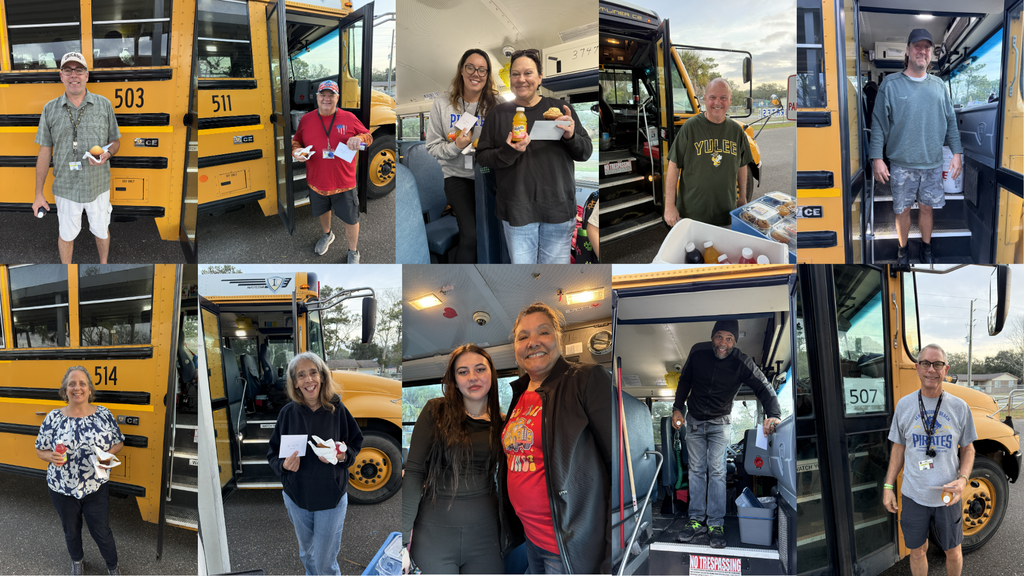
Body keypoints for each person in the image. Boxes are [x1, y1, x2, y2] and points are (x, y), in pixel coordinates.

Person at [501, 302, 612, 573]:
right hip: (531, 539)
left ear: (558, 339)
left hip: (567, 545)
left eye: (543, 332)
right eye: (523, 336)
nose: (533, 342)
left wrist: (612, 550)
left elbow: (617, 465)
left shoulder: (584, 378)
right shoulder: (519, 394)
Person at [670, 320, 781, 548]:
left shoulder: (742, 362)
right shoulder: (698, 351)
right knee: (696, 470)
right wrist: (677, 408)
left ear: (734, 342)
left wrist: (774, 414)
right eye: (719, 336)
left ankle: (716, 524)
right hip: (694, 421)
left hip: (720, 423)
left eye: (729, 338)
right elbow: (685, 379)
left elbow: (763, 387)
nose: (723, 343)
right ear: (712, 337)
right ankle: (695, 521)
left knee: (718, 471)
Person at [477, 50, 592, 264]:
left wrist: (571, 136)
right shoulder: (497, 114)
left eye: (528, 73)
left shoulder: (560, 109)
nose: (521, 79)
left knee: (556, 276)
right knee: (524, 274)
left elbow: (585, 152)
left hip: (558, 209)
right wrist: (508, 151)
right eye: (515, 74)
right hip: (516, 211)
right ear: (509, 78)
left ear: (540, 77)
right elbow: (482, 158)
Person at [402, 344, 505, 573]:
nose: (472, 377)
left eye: (480, 369)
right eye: (463, 372)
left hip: (487, 535)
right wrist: (402, 542)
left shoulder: (504, 422)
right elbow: (414, 473)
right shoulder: (434, 411)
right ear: (454, 380)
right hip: (433, 534)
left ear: (491, 374)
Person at [869, 28, 963, 266]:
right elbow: (878, 123)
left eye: (927, 47)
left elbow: (951, 121)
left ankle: (926, 249)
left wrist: (957, 153)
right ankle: (903, 251)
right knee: (901, 211)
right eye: (917, 46)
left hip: (932, 164)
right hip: (901, 164)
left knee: (927, 210)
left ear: (930, 53)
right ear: (908, 50)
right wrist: (876, 158)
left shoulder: (939, 86)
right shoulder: (890, 84)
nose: (922, 51)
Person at [268, 352, 364, 575]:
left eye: (313, 373)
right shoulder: (287, 414)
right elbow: (273, 454)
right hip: (297, 496)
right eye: (301, 375)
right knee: (307, 553)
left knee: (324, 561)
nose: (308, 380)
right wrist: (283, 466)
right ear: (295, 382)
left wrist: (341, 455)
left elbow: (355, 445)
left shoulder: (338, 411)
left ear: (322, 376)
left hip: (331, 496)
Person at [883, 344, 975, 576]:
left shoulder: (960, 407)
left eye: (938, 364)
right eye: (925, 363)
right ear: (917, 368)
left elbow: (968, 449)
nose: (931, 369)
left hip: (948, 496)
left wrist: (963, 480)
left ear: (946, 370)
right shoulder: (904, 405)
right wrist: (888, 485)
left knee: (953, 551)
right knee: (917, 551)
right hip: (914, 495)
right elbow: (898, 447)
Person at [32, 52, 121, 264]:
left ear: (87, 75)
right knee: (66, 234)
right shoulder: (50, 109)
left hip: (97, 185)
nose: (74, 75)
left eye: (78, 70)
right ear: (61, 76)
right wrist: (38, 194)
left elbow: (116, 142)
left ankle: (103, 265)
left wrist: (107, 154)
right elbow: (44, 152)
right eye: (68, 70)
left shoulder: (104, 105)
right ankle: (66, 269)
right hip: (65, 187)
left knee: (101, 230)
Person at [35, 366, 125, 575]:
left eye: (82, 383)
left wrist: (107, 456)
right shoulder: (53, 418)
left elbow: (119, 442)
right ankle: (77, 560)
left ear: (90, 389)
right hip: (61, 488)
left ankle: (113, 566)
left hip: (96, 486)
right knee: (71, 531)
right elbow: (40, 449)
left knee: (102, 532)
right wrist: (51, 456)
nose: (77, 388)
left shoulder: (103, 414)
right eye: (72, 384)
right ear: (65, 390)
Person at [426, 49, 500, 263]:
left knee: (494, 230)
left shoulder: (498, 103)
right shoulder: (442, 104)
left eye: (482, 70)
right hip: (457, 177)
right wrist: (456, 146)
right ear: (461, 69)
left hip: (488, 175)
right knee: (471, 234)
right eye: (470, 67)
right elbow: (432, 147)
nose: (476, 73)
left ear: (487, 75)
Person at [292, 80, 373, 262]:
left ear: (337, 98)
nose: (326, 99)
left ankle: (353, 251)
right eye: (323, 95)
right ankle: (327, 234)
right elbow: (296, 141)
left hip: (344, 182)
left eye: (331, 95)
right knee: (322, 210)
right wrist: (295, 151)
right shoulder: (306, 119)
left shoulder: (349, 118)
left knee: (351, 219)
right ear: (317, 97)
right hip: (317, 180)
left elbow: (368, 137)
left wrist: (357, 138)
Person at [663, 78, 753, 227]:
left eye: (723, 98)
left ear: (730, 100)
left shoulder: (737, 131)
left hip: (726, 215)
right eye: (712, 97)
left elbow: (742, 165)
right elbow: (674, 165)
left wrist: (742, 197)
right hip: (691, 216)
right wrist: (669, 206)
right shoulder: (690, 127)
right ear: (705, 99)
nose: (718, 103)